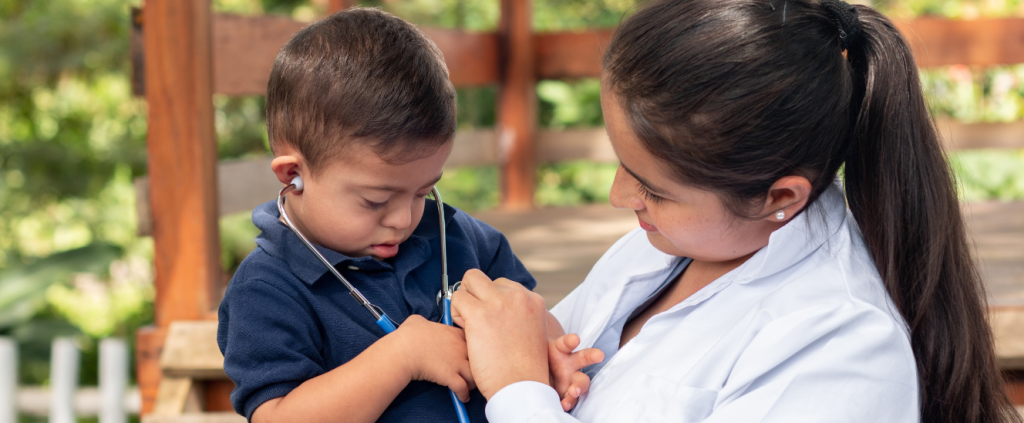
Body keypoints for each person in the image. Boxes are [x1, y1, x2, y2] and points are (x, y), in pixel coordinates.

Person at [451, 0, 1023, 422]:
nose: (620, 197)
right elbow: (541, 348)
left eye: (654, 187)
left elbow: (522, 380)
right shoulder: (660, 249)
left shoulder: (840, 346)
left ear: (780, 198)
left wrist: (519, 391)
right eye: (622, 164)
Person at [215, 8, 539, 423]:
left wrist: (550, 350)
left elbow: (527, 314)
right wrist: (404, 355)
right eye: (375, 200)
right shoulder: (267, 290)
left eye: (423, 191)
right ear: (295, 175)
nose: (403, 219)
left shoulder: (461, 239)